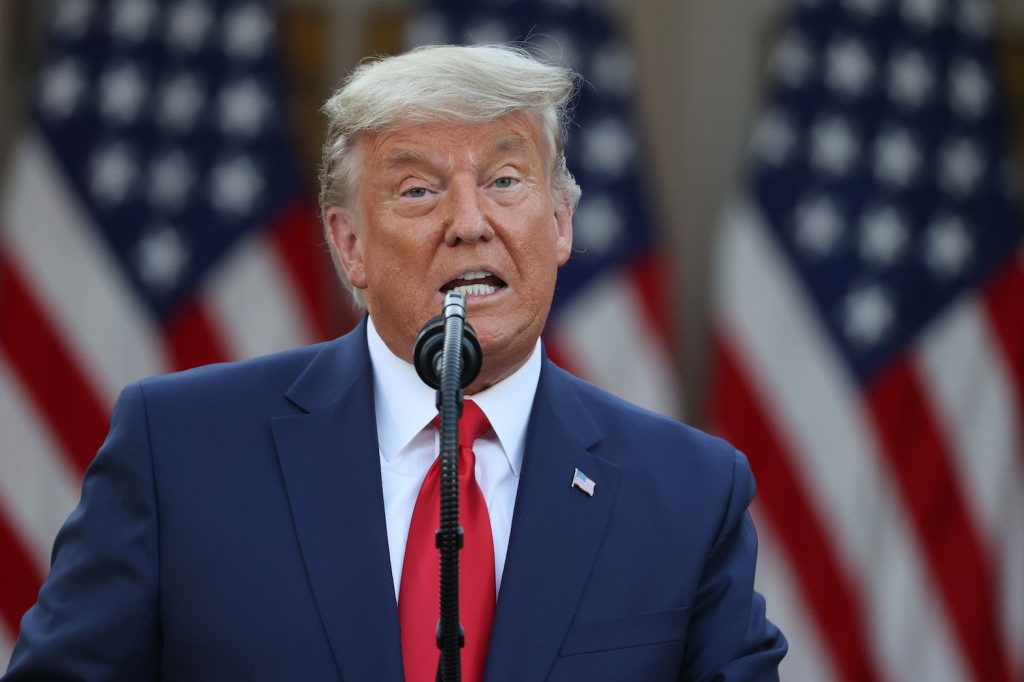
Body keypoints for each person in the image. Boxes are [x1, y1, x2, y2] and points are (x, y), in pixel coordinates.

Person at [2, 44, 786, 681]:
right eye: (417, 190)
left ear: (559, 223)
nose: (469, 223)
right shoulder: (178, 448)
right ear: (349, 246)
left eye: (505, 180)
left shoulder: (688, 491)